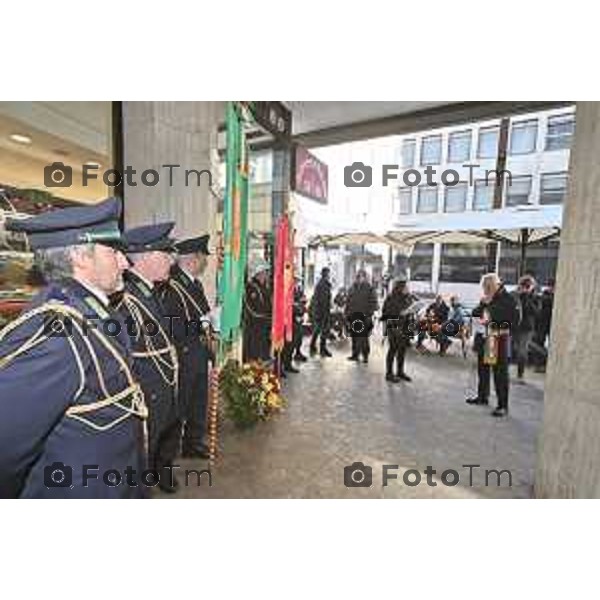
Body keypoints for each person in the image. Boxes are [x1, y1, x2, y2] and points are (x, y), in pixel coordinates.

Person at [0, 197, 148, 498]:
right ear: (81, 257)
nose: (125, 261)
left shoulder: (89, 311)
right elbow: (6, 444)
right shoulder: (57, 333)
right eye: (113, 251)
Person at [116, 222, 180, 493]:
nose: (171, 261)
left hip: (159, 389)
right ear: (145, 257)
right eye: (165, 255)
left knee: (152, 450)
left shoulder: (148, 292)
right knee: (139, 461)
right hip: (147, 391)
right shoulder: (127, 299)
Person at [159, 234, 213, 461]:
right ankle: (166, 459)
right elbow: (168, 326)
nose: (206, 263)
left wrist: (210, 321)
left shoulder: (195, 284)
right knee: (179, 409)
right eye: (204, 258)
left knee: (198, 402)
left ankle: (193, 443)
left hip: (198, 352)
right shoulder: (170, 287)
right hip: (182, 354)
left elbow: (203, 313)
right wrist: (200, 323)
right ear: (193, 258)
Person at [466, 273, 520, 417]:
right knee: (483, 369)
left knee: (500, 373)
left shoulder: (509, 299)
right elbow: (475, 313)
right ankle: (482, 397)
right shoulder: (487, 299)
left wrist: (501, 328)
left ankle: (503, 405)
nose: (484, 290)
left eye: (487, 287)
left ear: (495, 285)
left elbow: (515, 321)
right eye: (484, 287)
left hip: (499, 339)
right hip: (485, 339)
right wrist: (484, 303)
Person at [381, 278, 415, 382]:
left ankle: (400, 372)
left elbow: (410, 308)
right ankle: (389, 374)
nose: (407, 289)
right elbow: (386, 314)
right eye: (405, 287)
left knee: (402, 351)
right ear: (400, 288)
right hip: (394, 327)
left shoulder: (407, 298)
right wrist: (400, 313)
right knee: (393, 350)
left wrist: (411, 311)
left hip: (405, 327)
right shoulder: (391, 298)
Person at [512, 275, 541, 383]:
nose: (525, 288)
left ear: (532, 287)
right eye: (524, 285)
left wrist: (526, 297)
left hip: (527, 328)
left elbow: (536, 312)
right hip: (515, 327)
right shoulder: (515, 295)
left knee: (522, 351)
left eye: (528, 286)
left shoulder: (536, 297)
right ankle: (540, 351)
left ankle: (520, 375)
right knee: (516, 348)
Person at [345, 270, 379, 363]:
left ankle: (365, 356)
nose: (358, 278)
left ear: (365, 277)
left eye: (360, 276)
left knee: (363, 338)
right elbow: (348, 302)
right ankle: (355, 355)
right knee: (354, 336)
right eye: (357, 276)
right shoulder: (352, 288)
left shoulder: (369, 288)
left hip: (364, 316)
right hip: (353, 316)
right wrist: (347, 314)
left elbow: (374, 303)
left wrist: (369, 314)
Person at [242, 259, 272, 362]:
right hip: (255, 328)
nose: (267, 274)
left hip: (263, 328)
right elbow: (253, 311)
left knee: (263, 356)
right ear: (258, 273)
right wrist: (268, 318)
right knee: (254, 357)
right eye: (265, 272)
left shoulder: (263, 287)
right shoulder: (251, 287)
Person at [309, 267, 332, 357]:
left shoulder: (322, 284)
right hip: (322, 311)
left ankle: (313, 346)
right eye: (328, 273)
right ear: (326, 274)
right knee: (323, 330)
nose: (329, 275)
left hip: (320, 311)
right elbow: (323, 300)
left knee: (318, 329)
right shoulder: (323, 285)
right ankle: (322, 349)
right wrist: (325, 312)